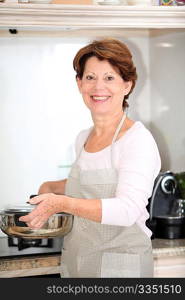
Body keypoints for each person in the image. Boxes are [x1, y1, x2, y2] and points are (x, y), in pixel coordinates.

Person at [20, 38, 161, 278]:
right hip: (79, 263)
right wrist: (53, 188)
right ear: (79, 83)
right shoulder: (83, 138)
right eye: (90, 77)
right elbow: (94, 186)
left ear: (127, 85)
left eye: (109, 78)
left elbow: (126, 210)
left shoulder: (137, 140)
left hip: (120, 270)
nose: (98, 87)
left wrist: (61, 203)